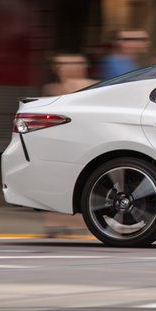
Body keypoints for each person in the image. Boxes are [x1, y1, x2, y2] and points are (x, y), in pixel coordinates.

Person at [42, 54, 96, 237]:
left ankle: (81, 223)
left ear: (82, 66)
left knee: (79, 181)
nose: (63, 68)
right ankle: (55, 221)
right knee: (55, 181)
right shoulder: (52, 88)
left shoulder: (92, 86)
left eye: (70, 64)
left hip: (83, 142)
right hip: (56, 142)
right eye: (59, 64)